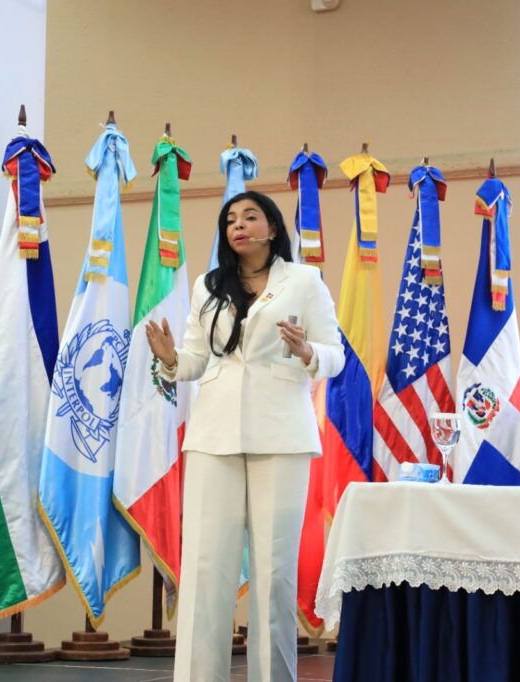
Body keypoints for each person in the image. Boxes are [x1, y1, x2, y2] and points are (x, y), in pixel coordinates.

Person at [145, 191, 345, 681]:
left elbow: (335, 354)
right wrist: (171, 359)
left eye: (250, 217)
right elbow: (196, 360)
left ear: (272, 228)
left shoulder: (304, 281)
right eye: (230, 219)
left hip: (281, 435)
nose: (238, 225)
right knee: (205, 568)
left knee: (274, 572)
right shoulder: (209, 285)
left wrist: (307, 352)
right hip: (213, 434)